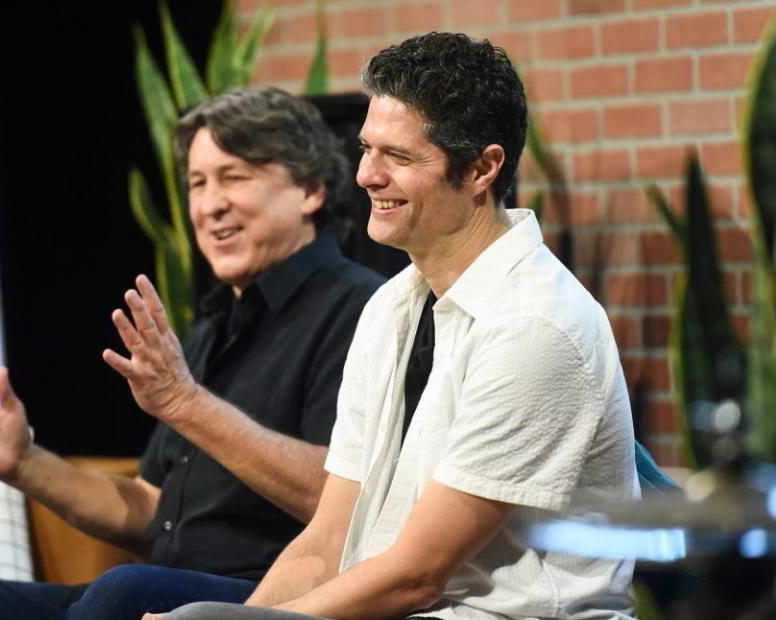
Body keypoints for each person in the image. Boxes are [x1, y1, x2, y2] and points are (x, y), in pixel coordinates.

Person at [158, 32, 638, 620]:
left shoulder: (537, 326)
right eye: (366, 148)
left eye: (399, 157)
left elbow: (417, 575)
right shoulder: (389, 308)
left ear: (484, 168)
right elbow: (327, 541)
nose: (365, 175)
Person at [0, 87, 384, 619]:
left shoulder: (361, 310)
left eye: (234, 176)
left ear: (310, 189)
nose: (209, 204)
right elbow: (151, 508)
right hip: (158, 587)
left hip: (270, 596)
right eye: (197, 183)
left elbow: (343, 500)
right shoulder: (212, 331)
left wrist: (188, 405)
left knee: (124, 591)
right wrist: (23, 462)